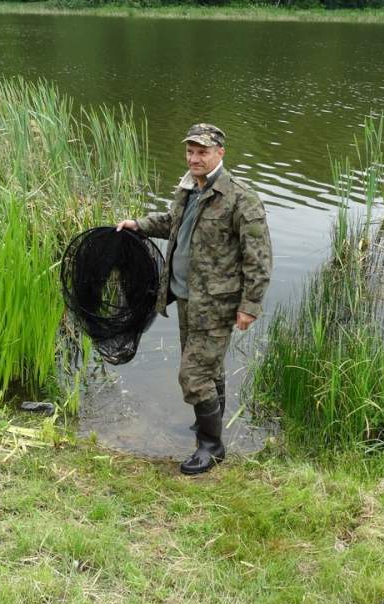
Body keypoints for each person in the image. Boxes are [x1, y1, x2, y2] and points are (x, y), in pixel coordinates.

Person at [115, 123, 272, 475]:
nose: (194, 158)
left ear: (220, 153)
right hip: (186, 298)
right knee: (208, 369)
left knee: (192, 374)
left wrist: (250, 306)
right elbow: (173, 223)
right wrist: (138, 224)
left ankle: (212, 447)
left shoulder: (241, 198)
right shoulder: (188, 188)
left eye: (202, 151)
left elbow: (259, 258)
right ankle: (208, 427)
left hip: (217, 304)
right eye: (190, 151)